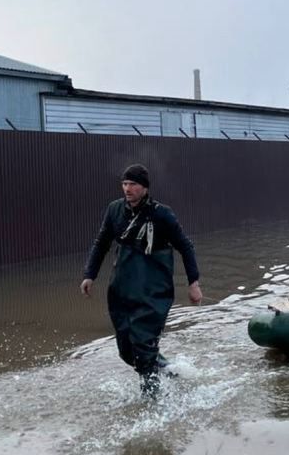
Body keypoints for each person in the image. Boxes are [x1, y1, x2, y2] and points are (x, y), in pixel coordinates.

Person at [82, 164, 203, 396]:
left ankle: (152, 405)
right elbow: (101, 243)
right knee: (127, 350)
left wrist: (193, 283)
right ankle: (167, 369)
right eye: (125, 184)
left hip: (153, 291)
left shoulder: (161, 214)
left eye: (133, 184)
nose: (127, 189)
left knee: (144, 347)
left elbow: (185, 246)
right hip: (122, 288)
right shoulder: (115, 210)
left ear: (144, 188)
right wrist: (90, 274)